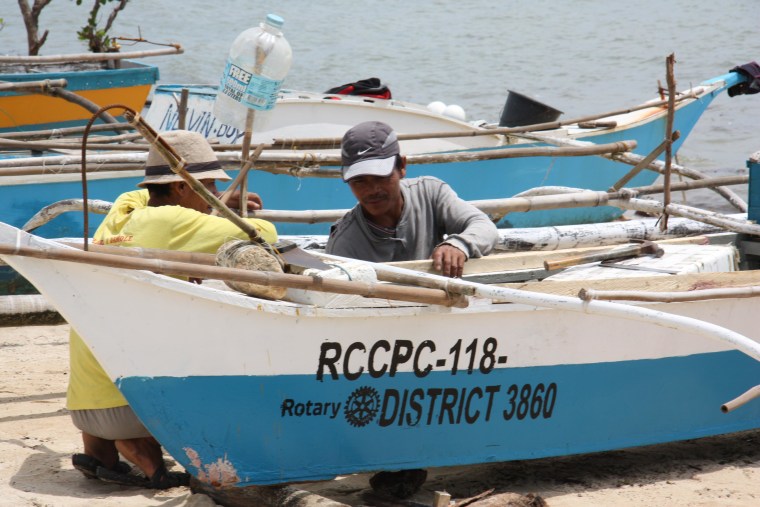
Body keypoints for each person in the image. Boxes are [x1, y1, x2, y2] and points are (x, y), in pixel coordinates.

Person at [68, 130, 277, 489]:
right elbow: (264, 233)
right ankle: (139, 447)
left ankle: (99, 448)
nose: (214, 197)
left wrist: (216, 203)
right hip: (125, 406)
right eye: (209, 186)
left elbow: (143, 194)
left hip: (85, 404)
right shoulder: (173, 221)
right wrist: (221, 215)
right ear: (180, 188)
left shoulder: (125, 209)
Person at [325, 120, 498, 278]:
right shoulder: (343, 244)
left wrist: (458, 245)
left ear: (402, 167)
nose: (372, 190)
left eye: (380, 177)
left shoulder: (430, 193)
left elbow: (484, 227)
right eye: (359, 181)